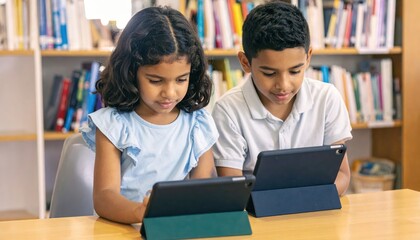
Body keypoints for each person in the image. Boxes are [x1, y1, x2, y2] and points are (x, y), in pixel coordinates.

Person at [81, 6, 218, 224]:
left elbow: (202, 191)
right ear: (130, 71)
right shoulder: (113, 125)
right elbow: (104, 197)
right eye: (156, 80)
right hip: (126, 229)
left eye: (181, 79)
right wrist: (140, 213)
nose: (170, 93)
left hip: (178, 229)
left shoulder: (198, 123)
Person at [212, 1, 352, 196]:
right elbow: (232, 191)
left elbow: (342, 175)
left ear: (308, 57)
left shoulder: (327, 98)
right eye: (269, 73)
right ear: (245, 62)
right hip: (257, 218)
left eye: (295, 71)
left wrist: (300, 201)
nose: (284, 85)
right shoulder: (228, 110)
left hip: (313, 211)